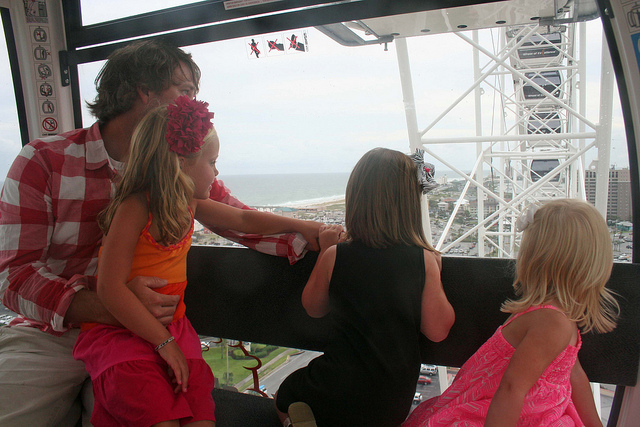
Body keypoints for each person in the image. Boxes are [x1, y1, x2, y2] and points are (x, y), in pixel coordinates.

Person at [0, 39, 316, 426]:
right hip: (52, 332)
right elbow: (13, 276)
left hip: (145, 337)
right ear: (143, 91)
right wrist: (111, 308)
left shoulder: (177, 172)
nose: (193, 106)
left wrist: (313, 238)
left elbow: (239, 220)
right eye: (184, 92)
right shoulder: (44, 162)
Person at [73, 96, 321, 426]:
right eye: (212, 162)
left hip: (172, 328)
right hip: (126, 334)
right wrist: (165, 344)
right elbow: (109, 289)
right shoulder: (134, 209)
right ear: (181, 164)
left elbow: (243, 221)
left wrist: (301, 225)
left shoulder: (188, 203)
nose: (217, 171)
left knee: (200, 416)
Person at [274, 147, 456, 427]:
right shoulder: (422, 260)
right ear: (409, 204)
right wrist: (435, 275)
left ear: (355, 199)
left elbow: (313, 308)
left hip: (336, 388)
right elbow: (437, 330)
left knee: (286, 395)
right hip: (391, 403)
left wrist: (325, 250)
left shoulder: (337, 256)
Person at [403, 199, 619, 427]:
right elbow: (511, 390)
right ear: (592, 264)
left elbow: (574, 375)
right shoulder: (553, 323)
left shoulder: (554, 316)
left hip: (535, 411)